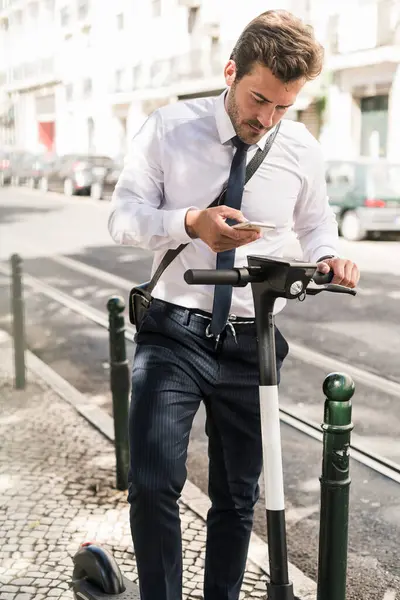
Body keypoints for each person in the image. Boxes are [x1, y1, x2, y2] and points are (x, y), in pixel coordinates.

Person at [108, 9, 360, 600]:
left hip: (253, 340)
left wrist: (330, 256)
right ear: (230, 72)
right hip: (173, 332)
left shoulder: (299, 147)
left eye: (282, 107)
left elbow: (318, 222)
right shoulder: (169, 128)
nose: (266, 119)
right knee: (150, 482)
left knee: (237, 495)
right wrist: (189, 222)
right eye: (258, 100)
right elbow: (123, 217)